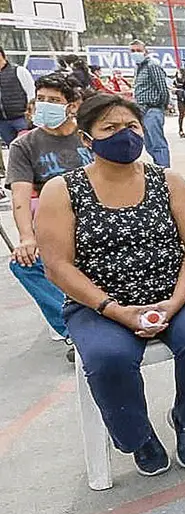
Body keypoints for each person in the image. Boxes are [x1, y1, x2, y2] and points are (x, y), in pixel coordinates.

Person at [35, 92, 185, 477]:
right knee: (108, 359)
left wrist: (175, 301)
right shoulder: (62, 190)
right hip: (98, 305)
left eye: (131, 127)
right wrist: (114, 310)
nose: (124, 135)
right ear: (88, 139)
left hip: (174, 294)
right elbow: (56, 266)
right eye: (110, 128)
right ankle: (139, 438)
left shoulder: (168, 181)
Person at [6, 73, 90, 361]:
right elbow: (19, 196)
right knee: (24, 264)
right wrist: (27, 238)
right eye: (41, 100)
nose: (45, 106)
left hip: (101, 221)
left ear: (73, 106)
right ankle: (73, 328)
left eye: (54, 101)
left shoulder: (89, 135)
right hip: (57, 227)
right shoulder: (24, 146)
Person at [130, 39, 171, 167]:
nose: (135, 53)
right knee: (149, 145)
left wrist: (161, 106)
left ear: (145, 51)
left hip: (153, 109)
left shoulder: (152, 65)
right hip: (141, 111)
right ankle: (159, 166)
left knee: (158, 143)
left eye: (138, 50)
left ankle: (165, 172)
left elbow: (163, 89)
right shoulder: (138, 68)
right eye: (132, 51)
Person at [0, 46, 36, 145]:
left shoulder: (18, 71)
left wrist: (30, 114)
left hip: (21, 118)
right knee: (13, 149)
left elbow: (31, 92)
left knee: (28, 146)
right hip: (3, 122)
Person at [174, 69, 185, 138]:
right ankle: (180, 129)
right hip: (180, 97)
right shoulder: (176, 77)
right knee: (181, 114)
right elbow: (175, 85)